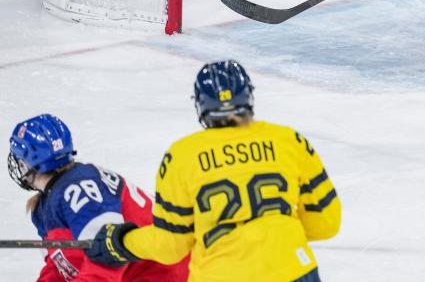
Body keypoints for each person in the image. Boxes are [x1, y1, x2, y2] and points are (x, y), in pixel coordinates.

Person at [85, 60, 341, 281]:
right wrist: (273, 235)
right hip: (294, 271)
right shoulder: (288, 141)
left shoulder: (181, 156)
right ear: (249, 96)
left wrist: (119, 242)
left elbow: (170, 246)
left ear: (200, 104)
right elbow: (326, 223)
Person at [7, 113, 187, 281]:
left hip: (169, 272)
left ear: (26, 164)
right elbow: (60, 267)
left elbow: (108, 258)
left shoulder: (79, 189)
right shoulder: (45, 206)